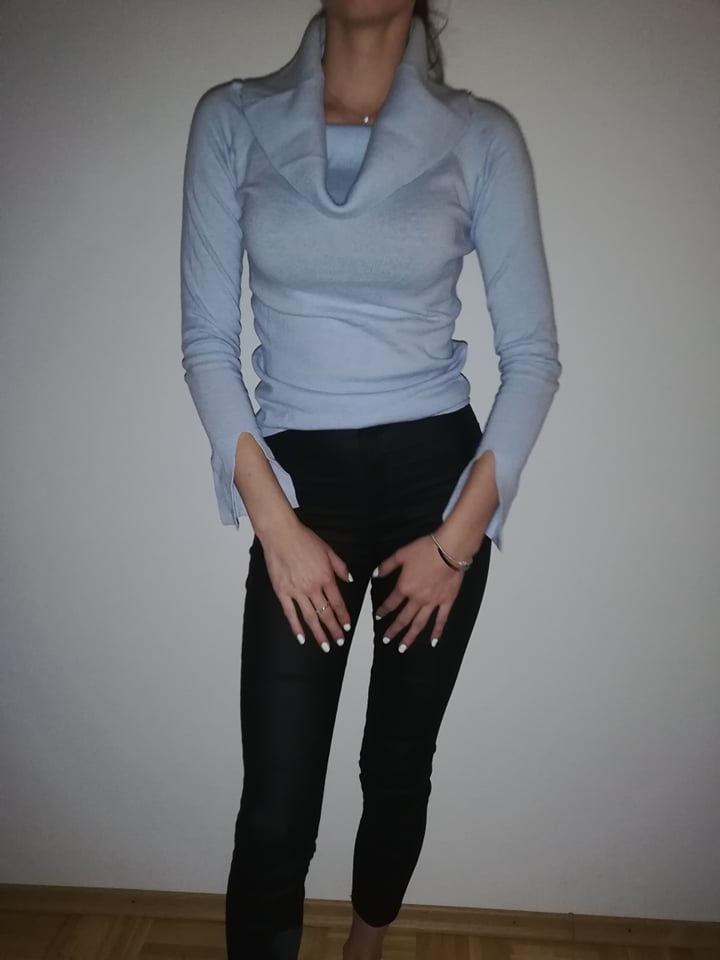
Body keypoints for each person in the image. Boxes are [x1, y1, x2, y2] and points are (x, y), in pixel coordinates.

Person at [180, 1, 560, 957]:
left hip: (437, 490)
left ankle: (365, 947)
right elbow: (207, 343)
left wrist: (456, 545)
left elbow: (532, 360)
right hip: (301, 486)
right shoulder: (233, 120)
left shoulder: (479, 137)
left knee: (396, 766)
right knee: (276, 802)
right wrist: (276, 526)